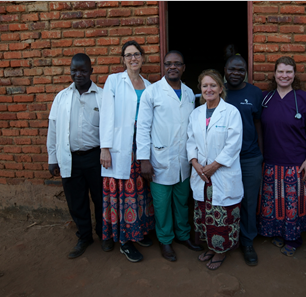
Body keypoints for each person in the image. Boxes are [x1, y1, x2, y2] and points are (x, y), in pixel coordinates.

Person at [137, 50, 202, 262]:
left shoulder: (190, 93)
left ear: (184, 68)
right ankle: (165, 240)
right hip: (159, 159)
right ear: (164, 67)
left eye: (177, 64)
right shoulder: (152, 92)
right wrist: (144, 159)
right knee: (162, 203)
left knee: (182, 201)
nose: (172, 67)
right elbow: (143, 127)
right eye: (168, 64)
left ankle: (183, 235)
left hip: (183, 160)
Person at [257, 56, 306, 258]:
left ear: (294, 75)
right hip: (271, 161)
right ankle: (278, 233)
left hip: (295, 162)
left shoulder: (303, 99)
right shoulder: (266, 98)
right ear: (274, 74)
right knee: (275, 202)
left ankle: (293, 239)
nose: (284, 75)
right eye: (280, 71)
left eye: (288, 72)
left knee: (293, 204)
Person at [47, 53, 107, 258]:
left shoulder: (102, 96)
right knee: (76, 200)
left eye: (83, 70)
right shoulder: (62, 97)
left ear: (91, 70)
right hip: (70, 158)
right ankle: (84, 236)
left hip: (95, 157)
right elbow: (53, 129)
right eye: (74, 70)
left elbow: (109, 129)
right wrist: (52, 158)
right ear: (70, 71)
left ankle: (103, 234)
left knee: (100, 199)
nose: (78, 74)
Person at [99, 40, 154, 263]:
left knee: (139, 190)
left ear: (142, 57)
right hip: (119, 146)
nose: (133, 58)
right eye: (128, 55)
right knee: (123, 194)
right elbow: (106, 115)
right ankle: (124, 241)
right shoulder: (114, 81)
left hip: (140, 145)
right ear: (123, 59)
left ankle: (136, 232)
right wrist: (104, 148)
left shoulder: (149, 85)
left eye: (137, 54)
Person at [187, 69, 243, 270]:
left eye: (213, 85)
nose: (208, 89)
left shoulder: (231, 112)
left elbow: (234, 144)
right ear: (200, 89)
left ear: (220, 88)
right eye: (204, 86)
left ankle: (221, 251)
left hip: (221, 173)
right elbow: (190, 141)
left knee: (222, 214)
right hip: (201, 173)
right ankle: (210, 247)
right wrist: (194, 162)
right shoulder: (196, 113)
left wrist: (214, 166)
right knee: (205, 213)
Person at [224, 55, 263, 266]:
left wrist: (261, 153)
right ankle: (225, 238)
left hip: (249, 157)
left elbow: (258, 123)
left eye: (240, 70)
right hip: (223, 160)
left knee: (249, 201)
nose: (236, 73)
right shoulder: (218, 91)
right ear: (225, 69)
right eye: (232, 69)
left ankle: (247, 241)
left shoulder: (255, 93)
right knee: (225, 199)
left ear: (246, 71)